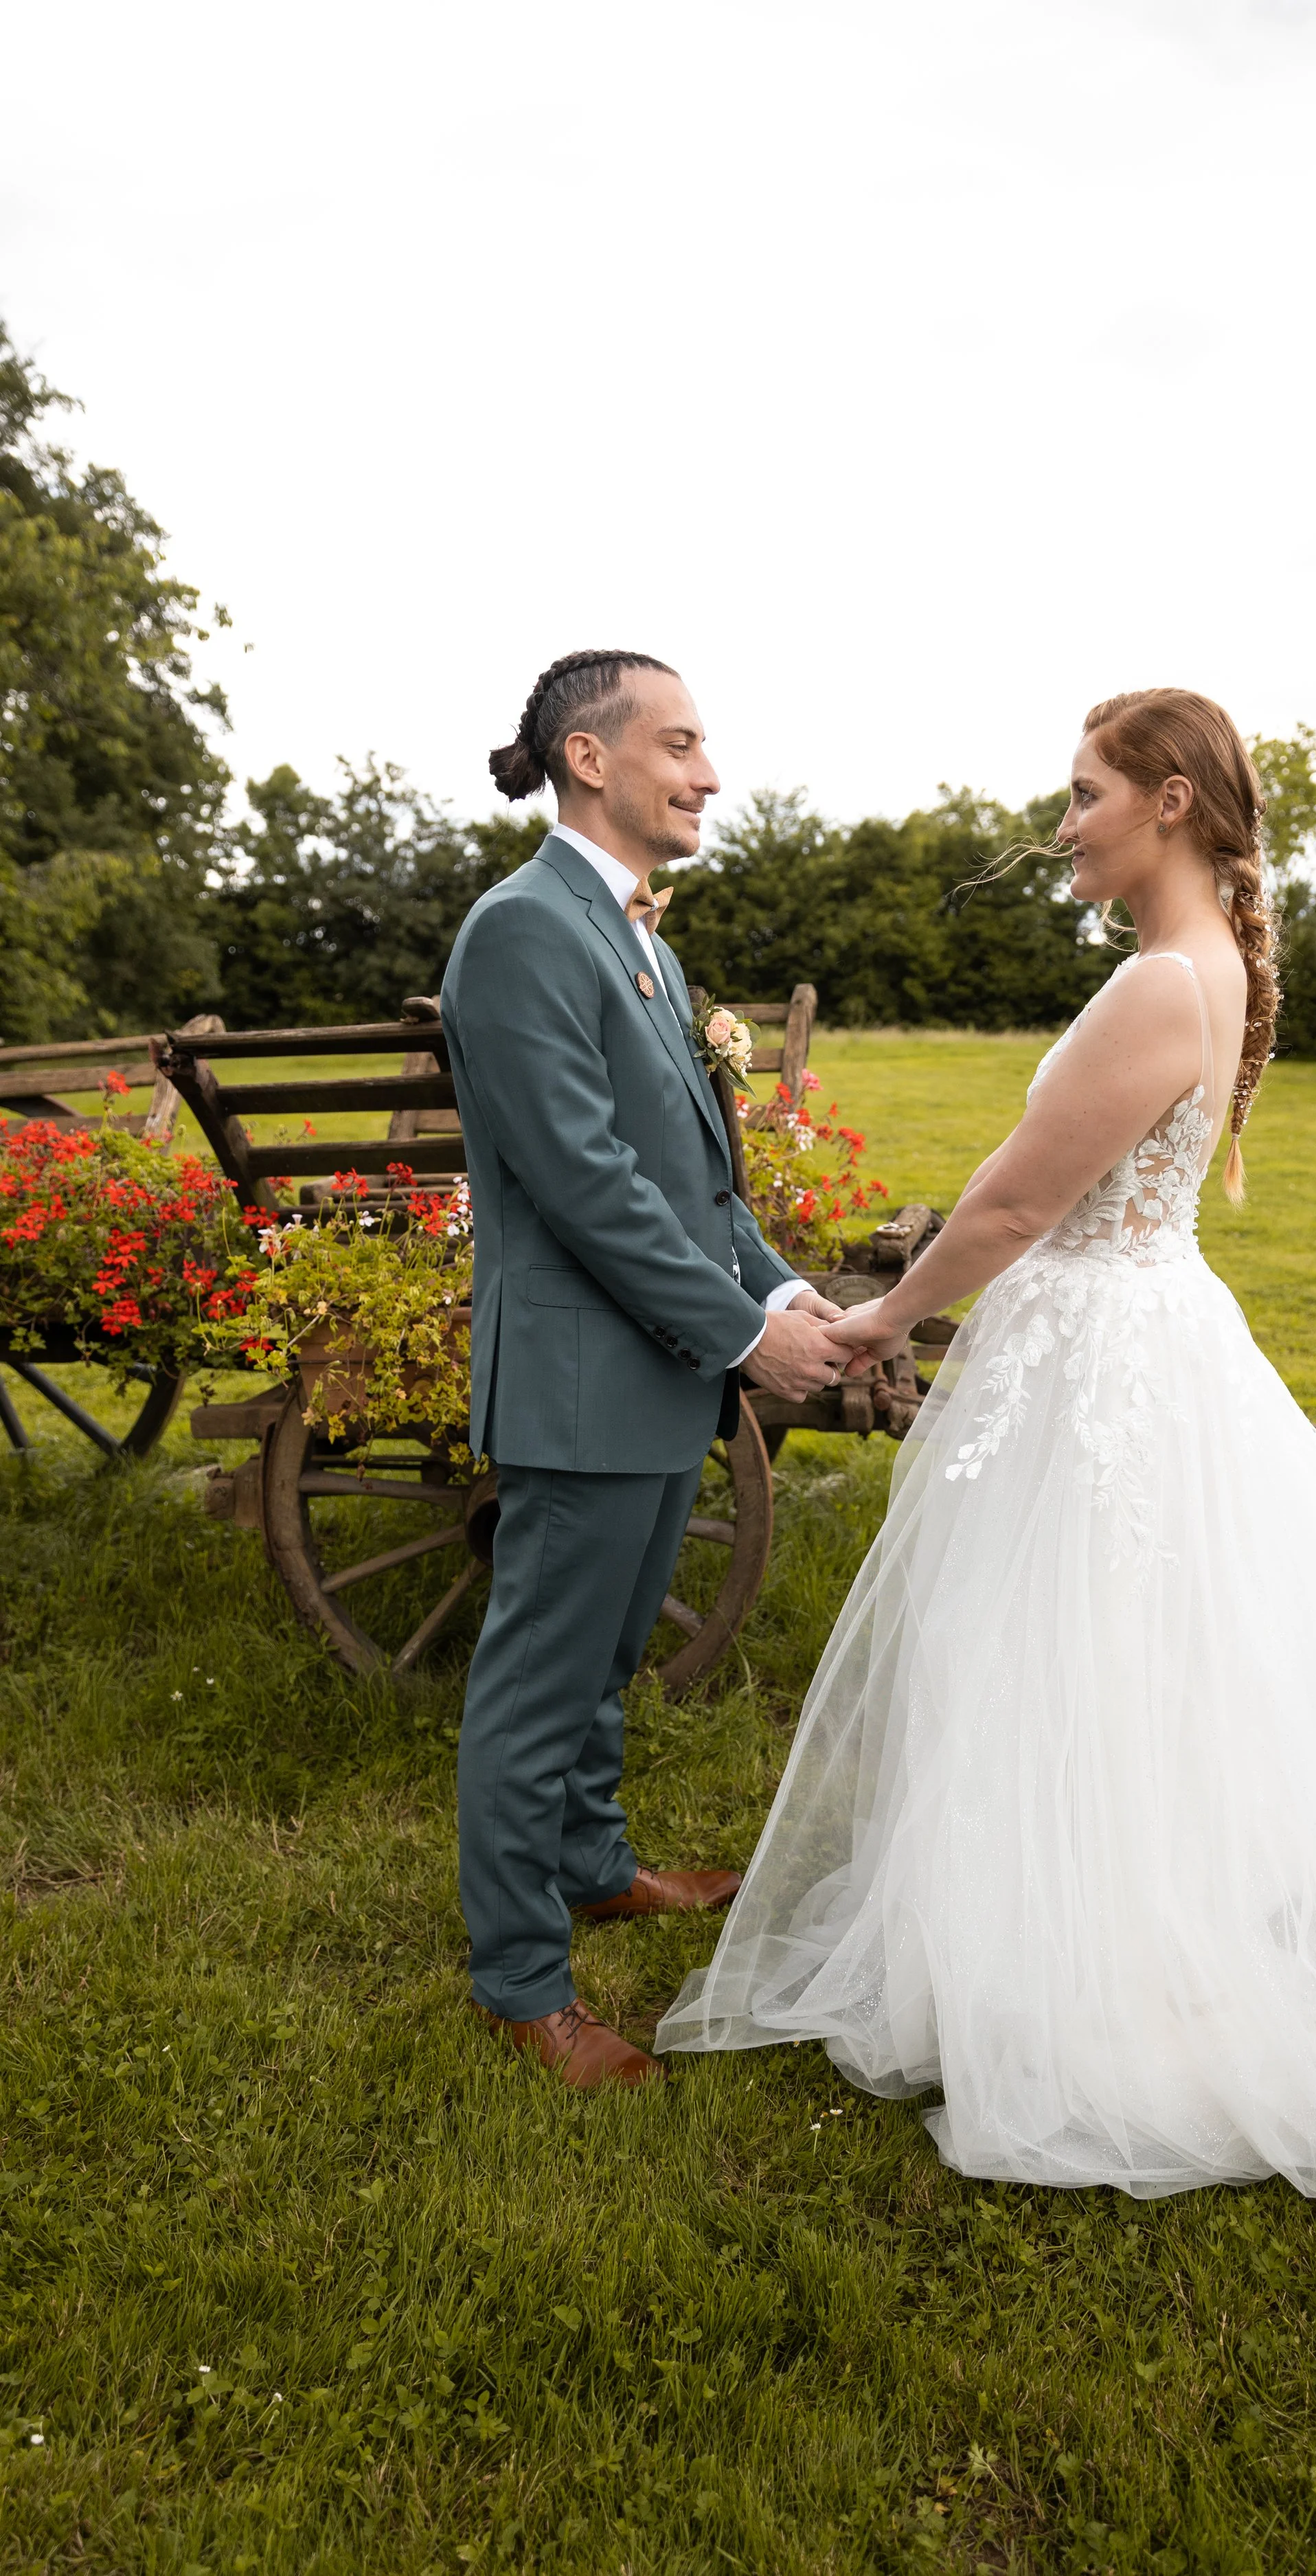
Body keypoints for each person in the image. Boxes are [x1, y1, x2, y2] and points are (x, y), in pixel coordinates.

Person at [659, 685, 1316, 2318]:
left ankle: (1092, 1987)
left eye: (1082, 793)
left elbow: (1016, 1199)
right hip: (1129, 1337)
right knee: (1101, 1663)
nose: (1060, 822)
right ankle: (1051, 1950)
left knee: (1071, 1654)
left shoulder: (1162, 981)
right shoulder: (1193, 967)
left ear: (1165, 801)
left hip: (1100, 1359)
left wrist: (877, 1319)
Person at [442, 650, 849, 2090]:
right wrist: (748, 1338)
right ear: (588, 757)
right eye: (679, 742)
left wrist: (782, 1287)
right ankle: (519, 1980)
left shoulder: (644, 942)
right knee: (539, 1685)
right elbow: (586, 1186)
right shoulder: (518, 932)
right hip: (575, 1383)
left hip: (654, 1378)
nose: (709, 771)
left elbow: (693, 1175)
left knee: (611, 1657)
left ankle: (594, 1865)